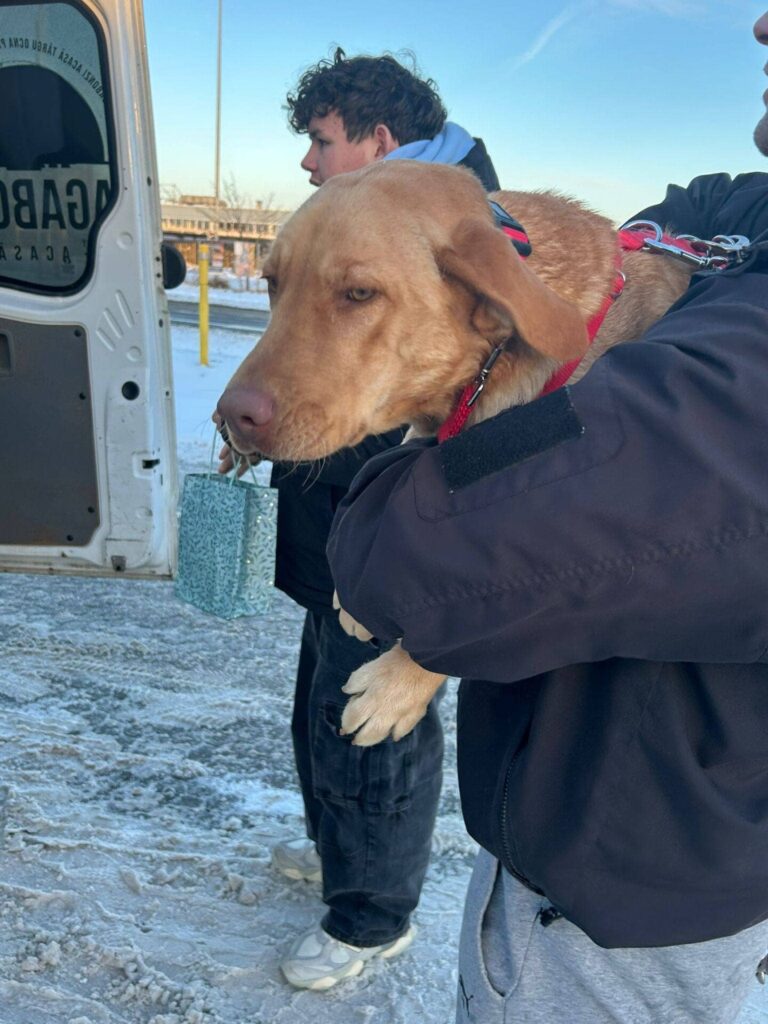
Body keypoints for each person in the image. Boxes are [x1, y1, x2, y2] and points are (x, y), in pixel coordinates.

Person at [327, 13, 768, 1023]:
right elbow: (631, 249)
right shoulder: (737, 207)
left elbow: (460, 545)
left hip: (629, 905)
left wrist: (397, 576)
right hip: (564, 826)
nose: (762, 19)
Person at [242, 48, 499, 991]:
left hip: (395, 537)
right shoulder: (346, 231)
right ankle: (335, 850)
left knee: (376, 722)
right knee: (321, 701)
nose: (310, 163)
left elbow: (466, 420)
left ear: (381, 140)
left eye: (322, 141)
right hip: (331, 526)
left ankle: (372, 916)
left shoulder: (460, 234)